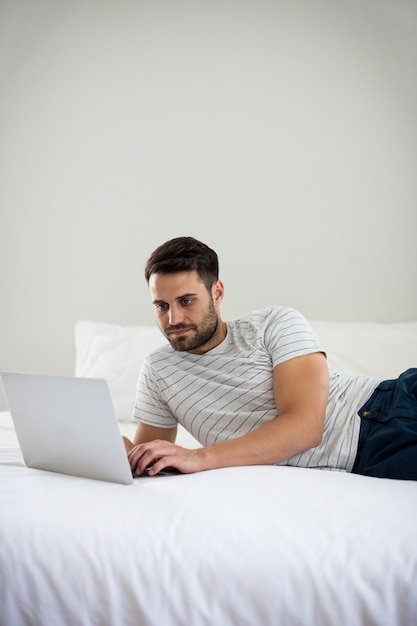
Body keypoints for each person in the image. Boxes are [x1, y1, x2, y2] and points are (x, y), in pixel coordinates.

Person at [124, 236, 417, 480]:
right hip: (367, 456)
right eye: (161, 306)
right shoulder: (158, 370)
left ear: (217, 292)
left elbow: (305, 428)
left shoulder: (274, 324)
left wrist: (199, 458)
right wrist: (114, 448)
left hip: (387, 408)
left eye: (186, 301)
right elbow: (150, 457)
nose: (173, 318)